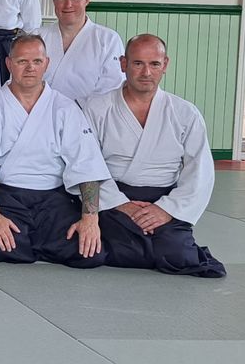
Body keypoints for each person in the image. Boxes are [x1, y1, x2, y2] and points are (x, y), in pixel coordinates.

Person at [83, 34, 225, 277]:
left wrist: (166, 210)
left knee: (178, 256)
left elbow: (199, 173)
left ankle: (155, 241)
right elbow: (86, 164)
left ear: (165, 65)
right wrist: (122, 204)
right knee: (89, 250)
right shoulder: (96, 108)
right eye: (138, 63)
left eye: (154, 64)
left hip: (164, 198)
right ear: (123, 64)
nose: (146, 72)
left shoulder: (185, 113)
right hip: (113, 197)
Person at [0, 34, 109, 268]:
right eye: (22, 61)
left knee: (89, 253)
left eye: (37, 61)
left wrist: (90, 219)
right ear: (8, 64)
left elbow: (85, 163)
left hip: (52, 197)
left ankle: (36, 237)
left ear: (47, 64)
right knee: (3, 248)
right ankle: (36, 239)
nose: (30, 68)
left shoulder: (64, 107)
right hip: (6, 194)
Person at [39, 0, 125, 105]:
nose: (68, 5)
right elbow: (20, 79)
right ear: (54, 1)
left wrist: (74, 111)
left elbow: (112, 88)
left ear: (87, 0)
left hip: (88, 117)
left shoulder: (108, 39)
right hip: (41, 113)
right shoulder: (38, 37)